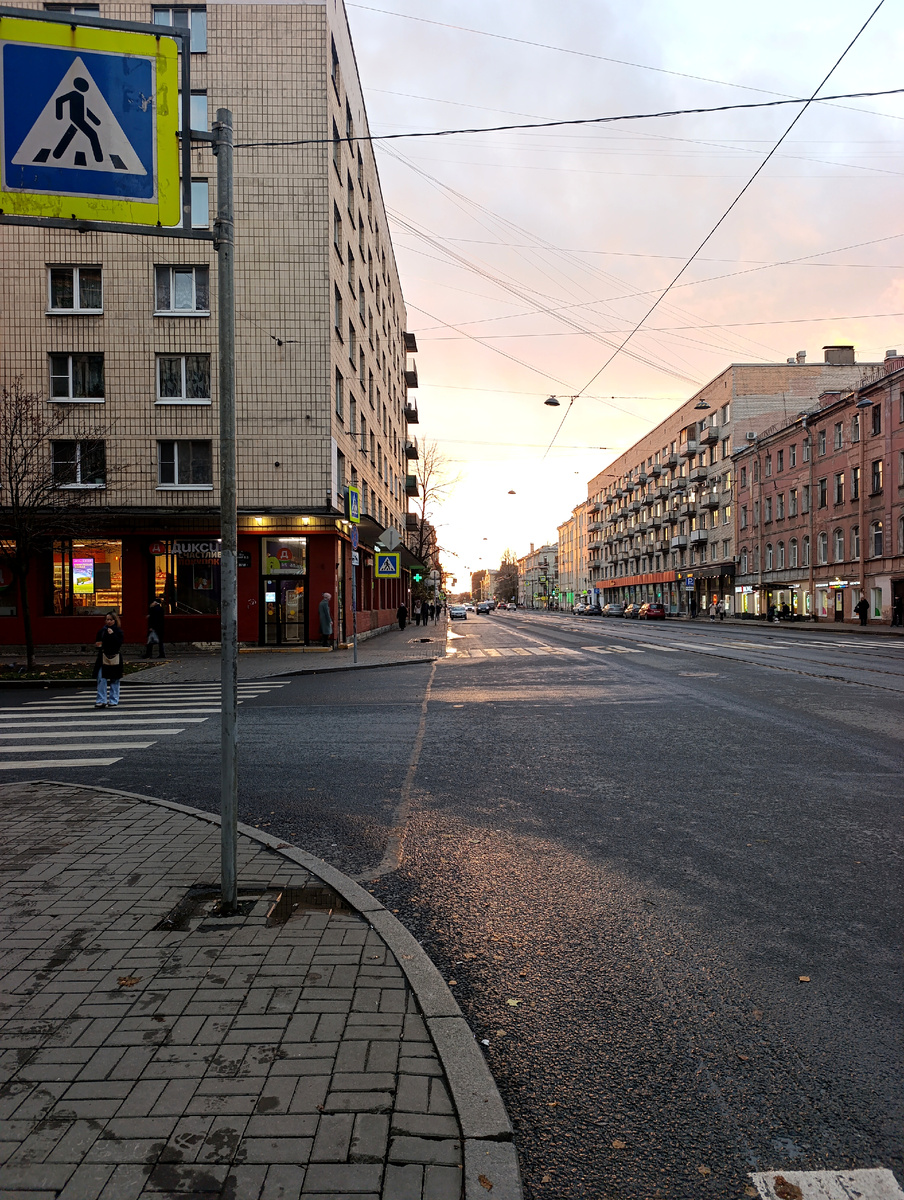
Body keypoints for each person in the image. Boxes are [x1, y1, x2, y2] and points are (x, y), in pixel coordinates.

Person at [94, 611, 124, 709]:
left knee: (114, 679)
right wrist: (98, 645)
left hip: (114, 656)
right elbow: (98, 643)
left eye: (111, 620)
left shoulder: (118, 631)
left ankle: (113, 700)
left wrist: (112, 635)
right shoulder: (102, 631)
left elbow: (119, 643)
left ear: (115, 620)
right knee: (101, 679)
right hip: (103, 657)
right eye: (107, 619)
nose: (109, 622)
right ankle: (101, 700)